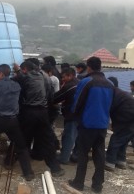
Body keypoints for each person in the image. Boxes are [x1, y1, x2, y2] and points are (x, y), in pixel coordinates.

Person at [68, 57, 114, 193]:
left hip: (87, 124)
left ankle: (78, 183)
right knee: (99, 155)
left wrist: (74, 115)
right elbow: (111, 105)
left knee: (83, 154)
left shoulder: (87, 81)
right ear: (100, 67)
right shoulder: (110, 84)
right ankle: (97, 185)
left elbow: (77, 103)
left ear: (89, 67)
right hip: (102, 124)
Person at [11, 61, 65, 177]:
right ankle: (56, 169)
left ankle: (20, 168)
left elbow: (10, 82)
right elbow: (50, 95)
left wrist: (16, 71)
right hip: (43, 112)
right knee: (47, 140)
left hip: (29, 112)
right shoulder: (45, 77)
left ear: (25, 69)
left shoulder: (24, 77)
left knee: (22, 140)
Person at [53, 68, 79, 164]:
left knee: (69, 136)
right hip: (78, 114)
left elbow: (57, 97)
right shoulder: (79, 83)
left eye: (64, 77)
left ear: (70, 75)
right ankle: (70, 155)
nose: (62, 79)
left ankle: (64, 158)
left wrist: (48, 101)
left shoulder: (70, 86)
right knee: (72, 136)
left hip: (72, 115)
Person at [105, 87, 134, 171]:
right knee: (124, 140)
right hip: (131, 115)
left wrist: (114, 125)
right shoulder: (120, 93)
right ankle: (121, 161)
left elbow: (111, 109)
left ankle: (110, 163)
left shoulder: (110, 93)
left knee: (116, 139)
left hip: (125, 115)